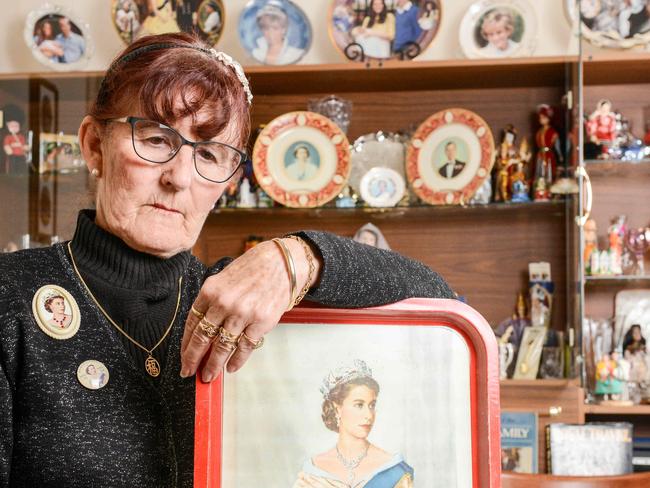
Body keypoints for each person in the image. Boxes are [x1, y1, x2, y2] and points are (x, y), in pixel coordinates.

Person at [0, 32, 454, 486]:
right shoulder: (11, 296)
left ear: (228, 181)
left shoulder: (245, 304)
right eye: (157, 140)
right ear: (94, 146)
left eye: (209, 153)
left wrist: (299, 256)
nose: (179, 177)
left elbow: (448, 306)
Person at [293, 360, 414, 487]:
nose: (369, 415)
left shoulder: (393, 470)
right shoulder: (313, 472)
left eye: (372, 405)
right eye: (359, 405)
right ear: (337, 409)